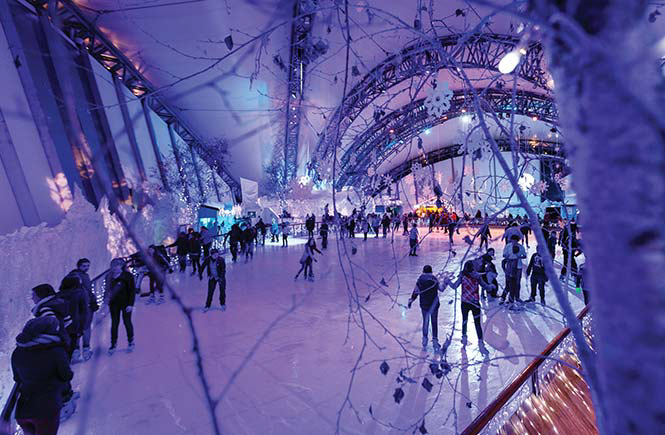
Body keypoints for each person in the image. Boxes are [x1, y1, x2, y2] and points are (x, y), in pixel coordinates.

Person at [11, 316, 74, 435]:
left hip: (23, 409)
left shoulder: (17, 352)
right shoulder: (56, 351)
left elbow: (17, 379)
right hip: (46, 409)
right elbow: (66, 375)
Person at [447, 261, 493, 353]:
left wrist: (448, 281)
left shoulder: (462, 276)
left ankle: (464, 337)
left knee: (465, 320)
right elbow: (486, 287)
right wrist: (491, 286)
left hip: (465, 303)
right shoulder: (477, 277)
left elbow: (454, 286)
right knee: (477, 323)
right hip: (475, 303)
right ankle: (480, 342)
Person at [66, 259, 97, 361]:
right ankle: (85, 349)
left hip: (78, 306)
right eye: (84, 266)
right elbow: (88, 290)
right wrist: (92, 301)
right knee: (86, 328)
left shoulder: (71, 276)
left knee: (78, 328)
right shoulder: (80, 276)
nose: (86, 268)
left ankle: (76, 350)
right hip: (84, 306)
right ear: (79, 266)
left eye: (88, 265)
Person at [103, 258, 135, 354]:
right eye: (114, 266)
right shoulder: (109, 277)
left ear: (122, 266)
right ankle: (113, 343)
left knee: (127, 322)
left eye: (118, 265)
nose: (116, 268)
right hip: (114, 304)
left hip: (125, 303)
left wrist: (130, 304)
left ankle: (130, 341)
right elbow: (107, 290)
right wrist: (106, 302)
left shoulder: (128, 276)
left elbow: (132, 291)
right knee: (114, 323)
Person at [407, 265, 442, 351]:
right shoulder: (434, 279)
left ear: (423, 271)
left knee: (425, 322)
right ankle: (435, 340)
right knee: (434, 322)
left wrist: (411, 300)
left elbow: (416, 291)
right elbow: (441, 288)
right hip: (434, 304)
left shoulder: (420, 280)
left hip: (424, 304)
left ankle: (425, 339)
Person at [56, 276, 86, 360]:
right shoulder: (79, 294)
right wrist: (82, 327)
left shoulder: (58, 295)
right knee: (70, 347)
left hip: (62, 326)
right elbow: (83, 312)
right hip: (74, 325)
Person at [501, 235, 527, 307]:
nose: (514, 242)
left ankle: (517, 297)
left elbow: (524, 255)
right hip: (510, 266)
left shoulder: (521, 247)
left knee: (517, 283)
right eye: (512, 240)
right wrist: (508, 257)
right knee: (509, 282)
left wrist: (519, 257)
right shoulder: (508, 246)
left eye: (515, 241)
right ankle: (504, 297)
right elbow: (504, 255)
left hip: (518, 266)